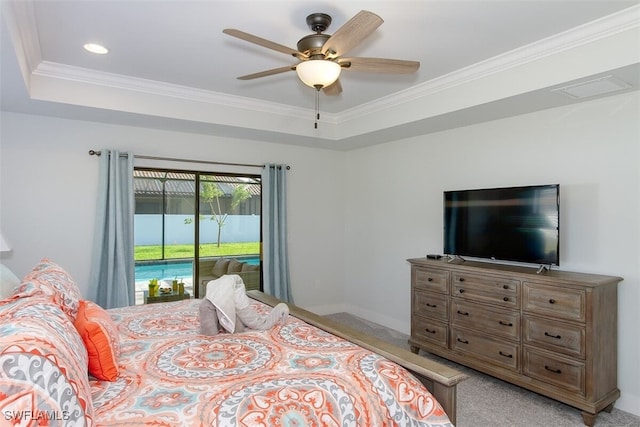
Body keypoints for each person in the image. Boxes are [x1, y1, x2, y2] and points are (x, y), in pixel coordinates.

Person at [199, 274, 289, 335]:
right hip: (233, 297)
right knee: (251, 324)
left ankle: (281, 308)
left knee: (260, 324)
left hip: (235, 299)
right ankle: (281, 308)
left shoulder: (237, 301)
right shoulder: (214, 301)